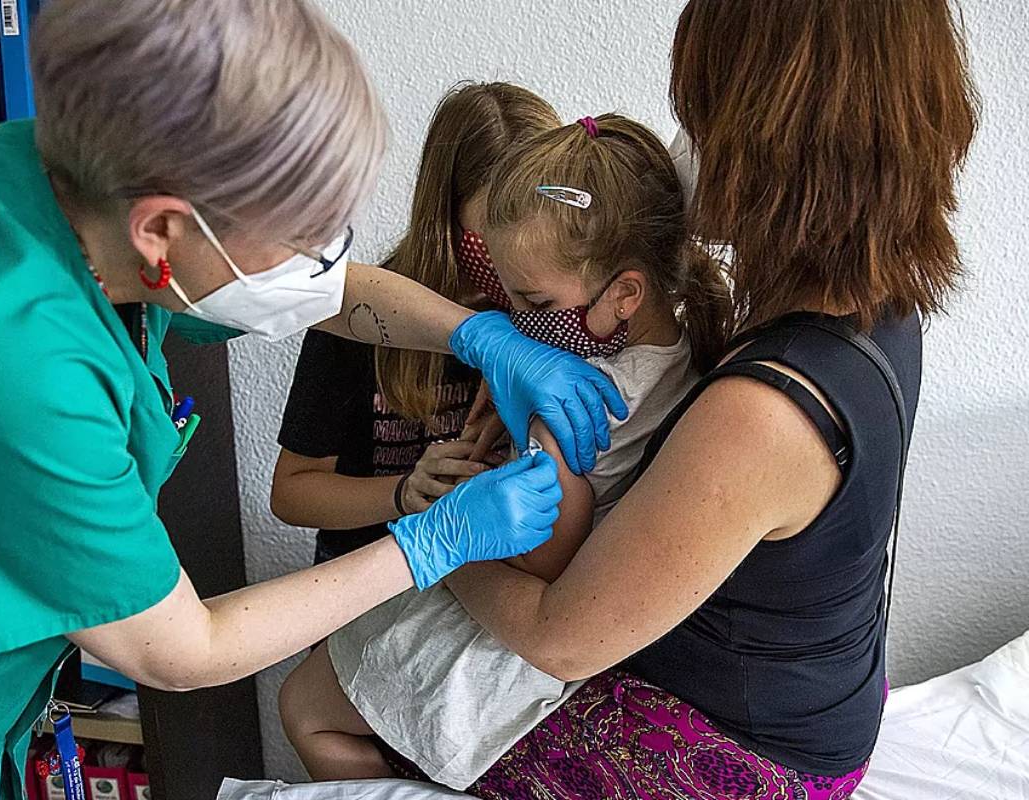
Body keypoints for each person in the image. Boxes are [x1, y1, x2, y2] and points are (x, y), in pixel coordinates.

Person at [0, 2, 629, 797]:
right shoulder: (2, 361)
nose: (322, 261)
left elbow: (333, 293)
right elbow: (180, 650)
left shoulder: (76, 190)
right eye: (300, 235)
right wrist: (433, 541)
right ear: (161, 232)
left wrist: (481, 338)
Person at [364, 3, 978, 799]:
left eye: (697, 114)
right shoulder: (877, 303)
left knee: (340, 694)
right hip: (821, 707)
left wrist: (436, 548)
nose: (683, 147)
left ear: (769, 144)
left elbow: (562, 639)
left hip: (755, 755)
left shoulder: (766, 410)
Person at [280, 113, 731, 788]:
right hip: (529, 623)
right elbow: (291, 489)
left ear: (624, 292)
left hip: (505, 631)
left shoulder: (571, 404)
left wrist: (462, 512)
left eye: (531, 298)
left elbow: (550, 551)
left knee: (304, 708)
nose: (517, 318)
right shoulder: (692, 345)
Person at [271, 82, 561, 566]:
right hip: (368, 571)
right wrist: (406, 493)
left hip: (488, 579)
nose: (517, 242)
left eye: (534, 215)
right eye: (497, 219)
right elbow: (292, 494)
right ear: (447, 207)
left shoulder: (556, 313)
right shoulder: (359, 321)